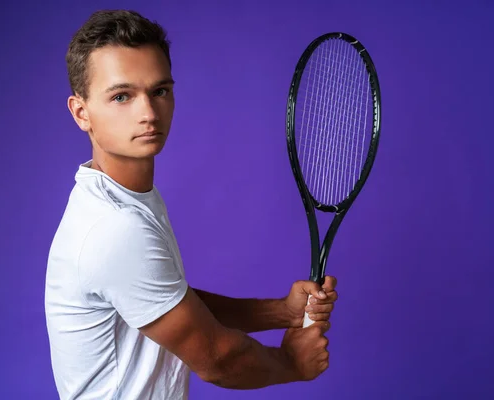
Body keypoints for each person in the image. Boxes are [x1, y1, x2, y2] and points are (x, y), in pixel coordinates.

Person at [44, 9, 339, 400]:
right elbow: (218, 359)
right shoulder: (114, 227)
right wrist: (292, 364)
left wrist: (281, 312)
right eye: (121, 96)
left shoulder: (123, 197)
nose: (148, 113)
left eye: (159, 91)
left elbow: (172, 300)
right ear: (81, 112)